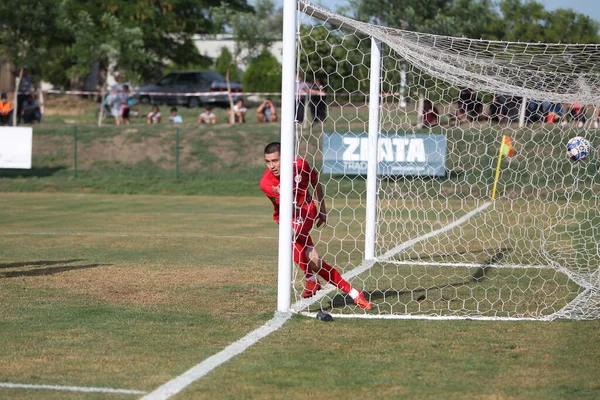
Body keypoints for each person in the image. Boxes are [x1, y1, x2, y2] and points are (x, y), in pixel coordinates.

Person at [259, 142, 373, 309]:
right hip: (287, 216)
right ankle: (354, 293)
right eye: (268, 162)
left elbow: (315, 183)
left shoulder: (301, 165)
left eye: (275, 160)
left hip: (306, 211)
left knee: (290, 238)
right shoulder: (266, 183)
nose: (272, 166)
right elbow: (286, 207)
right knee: (315, 263)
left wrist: (323, 208)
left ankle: (311, 280)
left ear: (287, 158)